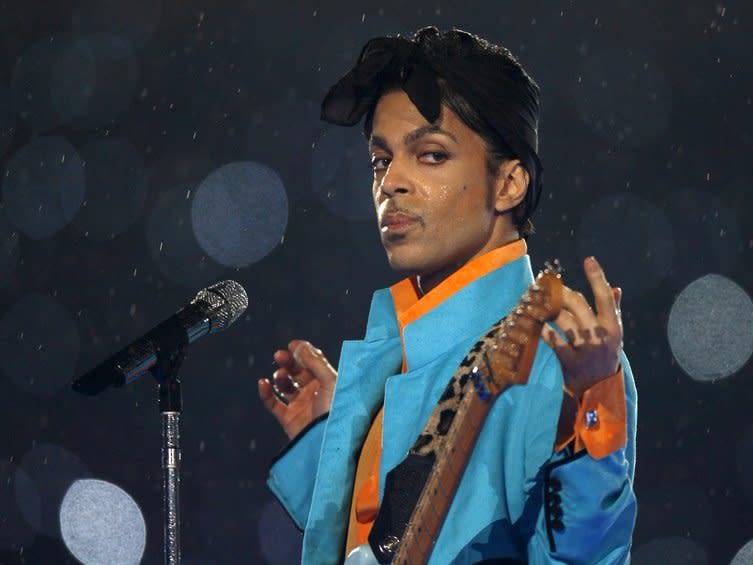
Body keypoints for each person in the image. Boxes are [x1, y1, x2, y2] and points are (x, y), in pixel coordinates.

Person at [258, 27, 637, 564]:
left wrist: (595, 408)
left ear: (509, 183)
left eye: (431, 155)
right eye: (379, 160)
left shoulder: (554, 353)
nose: (390, 182)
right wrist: (334, 440)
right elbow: (387, 540)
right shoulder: (396, 358)